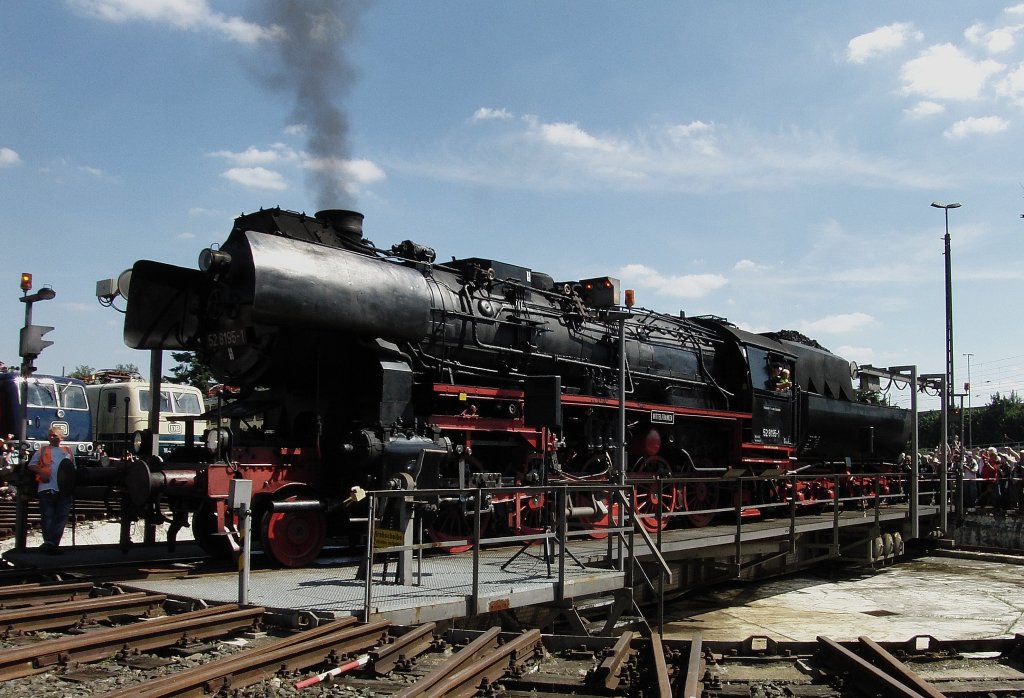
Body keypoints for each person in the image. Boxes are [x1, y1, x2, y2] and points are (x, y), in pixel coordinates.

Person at [26, 427, 74, 554]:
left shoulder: (68, 451)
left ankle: (52, 543)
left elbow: (72, 468)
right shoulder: (42, 450)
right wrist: (41, 471)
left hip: (64, 489)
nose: (52, 437)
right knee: (48, 516)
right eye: (50, 435)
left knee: (61, 517)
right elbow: (31, 465)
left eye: (55, 435)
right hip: (47, 487)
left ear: (61, 437)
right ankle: (49, 542)